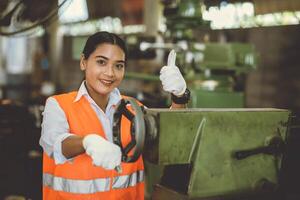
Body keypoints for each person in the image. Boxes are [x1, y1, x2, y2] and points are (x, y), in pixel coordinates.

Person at [39, 31, 189, 200]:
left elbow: (171, 139)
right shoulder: (58, 105)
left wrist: (179, 96)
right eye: (101, 62)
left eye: (118, 65)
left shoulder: (134, 110)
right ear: (83, 62)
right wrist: (86, 142)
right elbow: (55, 144)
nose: (110, 73)